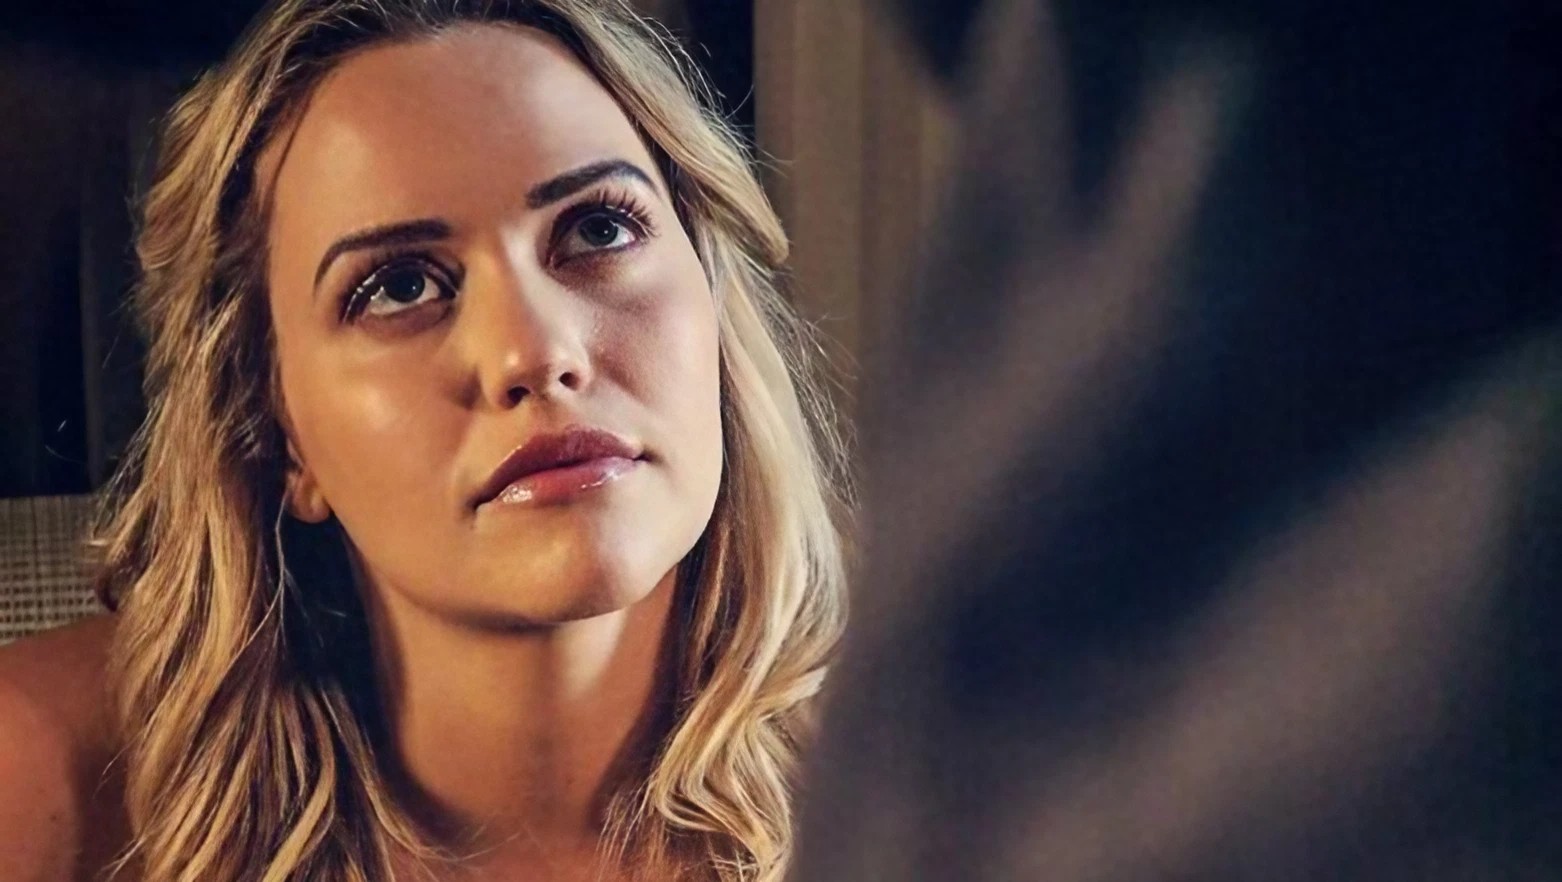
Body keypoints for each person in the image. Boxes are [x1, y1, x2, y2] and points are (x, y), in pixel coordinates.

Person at [0, 1, 850, 880]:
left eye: (598, 229)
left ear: (712, 297)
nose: (533, 352)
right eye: (400, 286)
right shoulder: (43, 782)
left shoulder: (922, 763)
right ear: (278, 432)